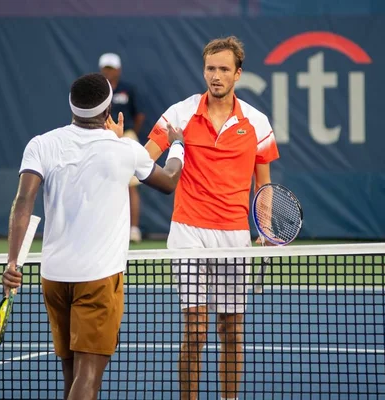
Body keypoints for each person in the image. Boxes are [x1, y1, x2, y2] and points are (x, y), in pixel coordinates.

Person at [2, 73, 185, 400]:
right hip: (97, 279)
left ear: (72, 106)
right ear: (107, 109)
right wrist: (178, 144)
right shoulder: (125, 150)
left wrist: (13, 261)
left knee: (72, 376)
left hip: (54, 279)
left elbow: (23, 201)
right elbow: (169, 181)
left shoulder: (41, 144)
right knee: (87, 381)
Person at [144, 36, 280, 400]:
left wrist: (264, 229)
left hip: (234, 236)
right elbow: (144, 160)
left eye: (223, 69)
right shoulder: (180, 113)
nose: (215, 76)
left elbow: (263, 187)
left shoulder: (257, 123)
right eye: (210, 69)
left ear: (238, 73)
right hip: (188, 230)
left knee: (232, 331)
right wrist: (116, 146)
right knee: (195, 329)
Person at [99, 52, 146, 243]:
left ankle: (133, 229)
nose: (108, 72)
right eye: (105, 69)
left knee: (131, 186)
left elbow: (139, 115)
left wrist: (129, 133)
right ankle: (105, 230)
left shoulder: (128, 89)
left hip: (126, 135)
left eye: (111, 69)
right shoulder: (99, 90)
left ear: (118, 70)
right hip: (101, 137)